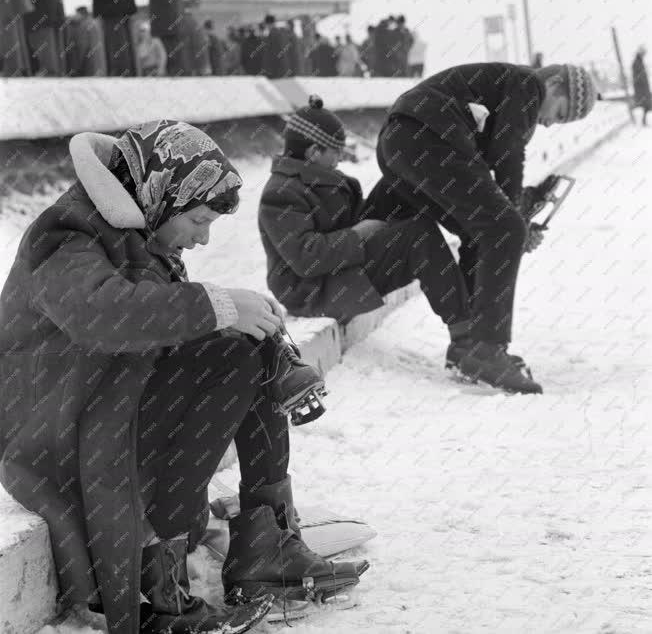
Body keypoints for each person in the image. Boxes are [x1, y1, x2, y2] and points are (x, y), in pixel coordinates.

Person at [0, 120, 367, 634]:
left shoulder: (132, 229)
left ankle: (264, 545)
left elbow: (151, 326)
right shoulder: (63, 234)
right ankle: (163, 583)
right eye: (198, 219)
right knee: (234, 349)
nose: (202, 237)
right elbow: (103, 315)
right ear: (162, 194)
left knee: (246, 347)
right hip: (57, 438)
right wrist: (216, 306)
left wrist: (244, 313)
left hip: (104, 409)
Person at [367, 62, 599, 394]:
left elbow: (489, 174)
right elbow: (509, 154)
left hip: (399, 142)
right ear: (556, 82)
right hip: (429, 133)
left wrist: (516, 213)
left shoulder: (502, 89)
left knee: (483, 230)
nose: (549, 123)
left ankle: (467, 342)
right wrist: (515, 221)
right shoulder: (528, 84)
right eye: (560, 114)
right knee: (503, 228)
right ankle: (489, 349)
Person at [258, 96, 472, 341]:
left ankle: (470, 228)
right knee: (418, 234)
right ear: (314, 152)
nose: (339, 160)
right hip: (313, 290)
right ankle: (466, 337)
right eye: (336, 152)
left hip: (339, 264)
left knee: (401, 181)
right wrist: (360, 234)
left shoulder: (314, 177)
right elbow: (307, 258)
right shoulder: (281, 193)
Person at [632, 46, 650, 126]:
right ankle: (641, 121)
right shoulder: (636, 62)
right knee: (645, 105)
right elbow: (638, 76)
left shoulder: (639, 61)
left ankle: (643, 121)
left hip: (643, 88)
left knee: (646, 105)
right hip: (641, 88)